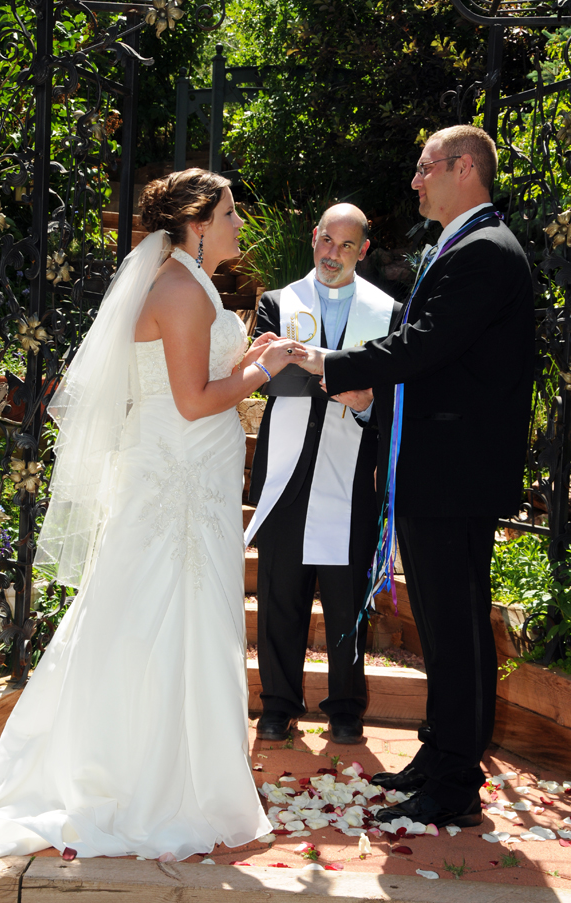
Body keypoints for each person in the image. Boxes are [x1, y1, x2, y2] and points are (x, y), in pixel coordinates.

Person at [0, 168, 307, 864]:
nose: (240, 223)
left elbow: (192, 381)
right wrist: (262, 369)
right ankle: (150, 782)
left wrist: (248, 358)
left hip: (190, 479)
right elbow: (192, 400)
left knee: (175, 619)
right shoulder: (183, 289)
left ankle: (188, 778)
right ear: (196, 221)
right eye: (230, 211)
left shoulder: (192, 282)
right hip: (174, 485)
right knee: (159, 618)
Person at [300, 126, 534, 826]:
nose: (414, 180)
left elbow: (424, 345)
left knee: (457, 624)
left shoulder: (487, 252)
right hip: (438, 469)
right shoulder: (464, 244)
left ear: (465, 168)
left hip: (455, 473)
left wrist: (329, 364)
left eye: (425, 166)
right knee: (439, 622)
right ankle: (440, 751)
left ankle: (458, 778)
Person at [246, 204, 397, 745]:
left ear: (363, 251)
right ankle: (279, 704)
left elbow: (390, 397)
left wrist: (357, 398)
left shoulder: (388, 312)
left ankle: (346, 706)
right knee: (280, 592)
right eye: (326, 241)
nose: (333, 254)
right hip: (286, 470)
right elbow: (269, 381)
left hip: (352, 469)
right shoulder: (276, 303)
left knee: (344, 592)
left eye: (346, 246)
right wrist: (345, 380)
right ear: (314, 238)